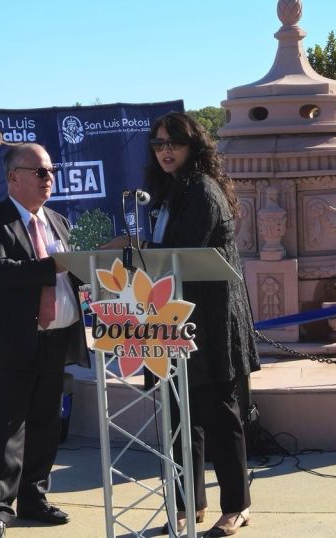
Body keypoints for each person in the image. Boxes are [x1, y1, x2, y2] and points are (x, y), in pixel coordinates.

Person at [136, 112, 260, 536]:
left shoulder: (204, 191)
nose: (165, 151)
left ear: (193, 147)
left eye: (174, 143)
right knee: (178, 416)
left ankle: (237, 505)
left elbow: (180, 251)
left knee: (220, 415)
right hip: (174, 320)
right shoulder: (167, 191)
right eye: (158, 144)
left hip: (212, 320)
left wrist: (137, 248)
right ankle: (191, 504)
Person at [0, 143, 90, 538]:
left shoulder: (57, 220)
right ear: (13, 177)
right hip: (13, 343)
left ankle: (34, 500)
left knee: (46, 425)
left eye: (51, 171)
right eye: (40, 172)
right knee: (7, 429)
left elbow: (71, 275)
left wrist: (95, 267)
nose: (48, 178)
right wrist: (50, 266)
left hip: (56, 340)